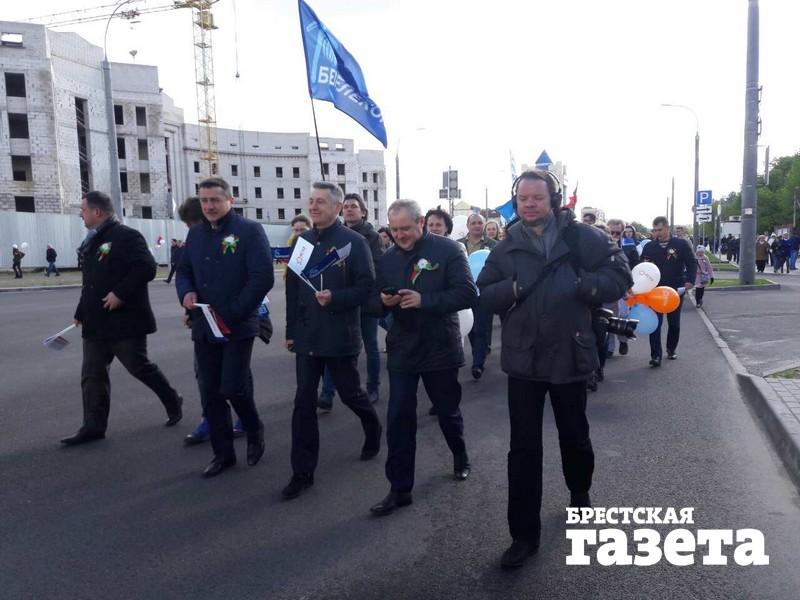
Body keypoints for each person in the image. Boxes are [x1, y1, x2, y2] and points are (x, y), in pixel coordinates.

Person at [476, 170, 631, 569]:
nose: (529, 204)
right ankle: (523, 536)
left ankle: (579, 492)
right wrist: (513, 288)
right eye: (523, 198)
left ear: (554, 199)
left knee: (574, 435)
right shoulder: (506, 245)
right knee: (523, 450)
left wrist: (583, 285)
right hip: (523, 359)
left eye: (537, 198)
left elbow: (620, 275)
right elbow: (484, 293)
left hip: (570, 353)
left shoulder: (584, 238)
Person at [366, 199, 478, 516]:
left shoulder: (449, 250)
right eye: (394, 229)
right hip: (403, 347)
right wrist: (384, 302)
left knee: (447, 411)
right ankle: (399, 489)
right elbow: (372, 304)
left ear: (421, 223)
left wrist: (424, 300)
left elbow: (468, 293)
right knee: (398, 418)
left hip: (439, 346)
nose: (399, 235)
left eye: (405, 228)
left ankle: (460, 455)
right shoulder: (388, 258)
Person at [282, 181, 382, 500]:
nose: (313, 206)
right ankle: (302, 472)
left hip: (339, 335)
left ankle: (372, 426)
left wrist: (336, 298)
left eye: (320, 202)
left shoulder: (354, 243)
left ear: (337, 207)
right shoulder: (303, 242)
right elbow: (293, 289)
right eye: (311, 201)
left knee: (351, 394)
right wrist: (290, 331)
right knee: (303, 402)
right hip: (307, 336)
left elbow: (367, 287)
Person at [62, 191, 184, 446]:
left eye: (83, 210)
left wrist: (120, 293)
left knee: (139, 367)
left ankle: (172, 399)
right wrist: (81, 311)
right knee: (92, 375)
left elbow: (146, 267)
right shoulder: (92, 241)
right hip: (96, 323)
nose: (80, 215)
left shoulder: (126, 236)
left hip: (124, 321)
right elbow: (91, 282)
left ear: (97, 212)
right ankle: (93, 426)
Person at [176, 177, 274, 477]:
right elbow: (184, 271)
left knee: (232, 386)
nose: (209, 206)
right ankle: (223, 454)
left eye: (215, 200)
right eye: (204, 200)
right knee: (210, 393)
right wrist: (186, 293)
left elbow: (262, 277)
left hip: (238, 324)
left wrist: (233, 312)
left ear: (230, 201)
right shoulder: (196, 234)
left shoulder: (249, 231)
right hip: (204, 324)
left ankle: (254, 428)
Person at [318, 193, 384, 410]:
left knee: (370, 345)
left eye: (353, 206)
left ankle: (372, 387)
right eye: (345, 206)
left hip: (364, 301)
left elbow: (375, 268)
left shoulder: (372, 237)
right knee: (332, 345)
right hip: (339, 301)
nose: (348, 209)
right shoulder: (334, 234)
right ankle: (327, 392)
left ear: (363, 212)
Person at [640, 216, 697, 366]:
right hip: (655, 290)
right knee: (655, 323)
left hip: (675, 289)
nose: (657, 233)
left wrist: (690, 280)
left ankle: (671, 349)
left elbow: (691, 263)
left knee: (674, 323)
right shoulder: (649, 247)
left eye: (660, 230)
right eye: (655, 230)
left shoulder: (680, 244)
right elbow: (642, 267)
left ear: (667, 228)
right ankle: (655, 356)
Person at [458, 213, 498, 379]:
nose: (476, 226)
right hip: (464, 293)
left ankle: (478, 364)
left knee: (481, 328)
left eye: (479, 223)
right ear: (468, 225)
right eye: (473, 223)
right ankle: (479, 351)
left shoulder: (493, 245)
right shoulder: (458, 245)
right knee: (471, 329)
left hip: (484, 293)